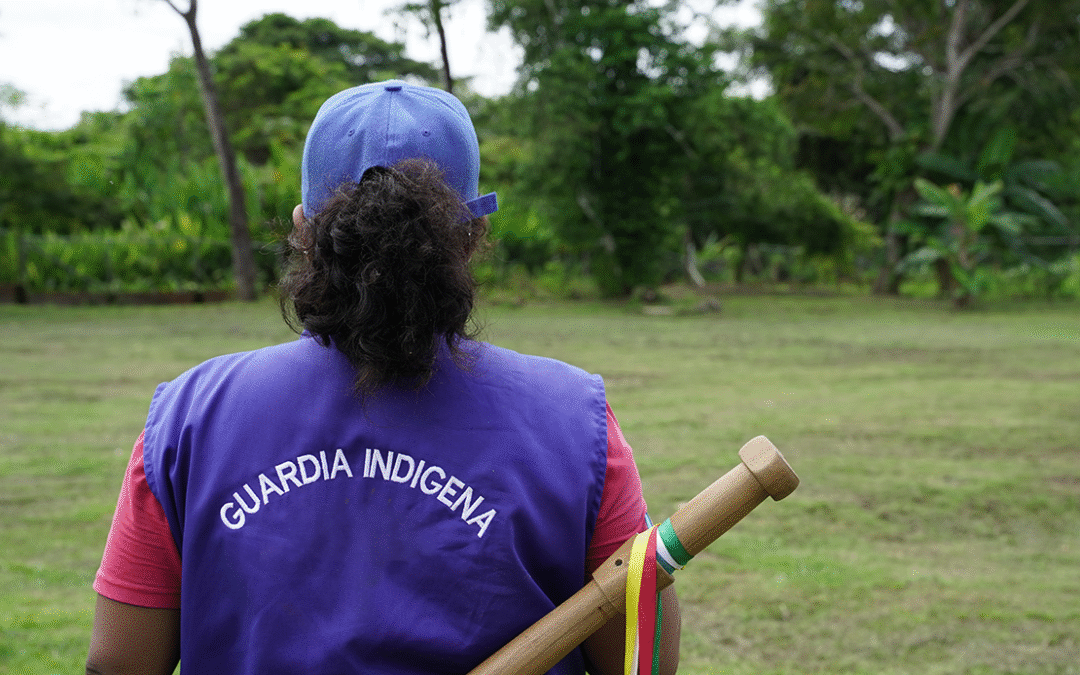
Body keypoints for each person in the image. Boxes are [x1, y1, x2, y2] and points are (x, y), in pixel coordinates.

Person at [87, 80, 680, 675]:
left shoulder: (190, 418)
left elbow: (119, 663)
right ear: (472, 236)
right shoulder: (575, 421)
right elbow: (642, 663)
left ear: (302, 231)